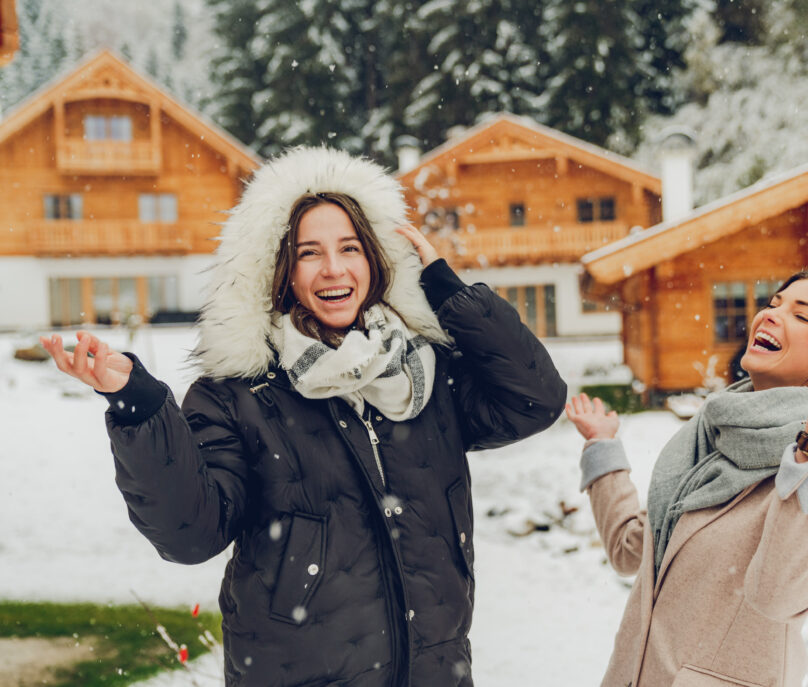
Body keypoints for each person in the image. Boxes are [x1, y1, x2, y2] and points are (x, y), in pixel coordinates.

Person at [41, 147, 567, 687]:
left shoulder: (428, 378)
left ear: (377, 261)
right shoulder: (239, 396)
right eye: (309, 252)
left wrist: (446, 290)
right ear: (281, 270)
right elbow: (189, 535)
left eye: (350, 247)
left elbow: (535, 400)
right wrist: (142, 405)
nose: (334, 268)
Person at [565, 271, 808, 687]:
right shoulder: (715, 436)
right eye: (774, 303)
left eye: (801, 315)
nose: (770, 315)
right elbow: (631, 548)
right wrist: (602, 448)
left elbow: (781, 595)